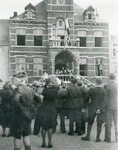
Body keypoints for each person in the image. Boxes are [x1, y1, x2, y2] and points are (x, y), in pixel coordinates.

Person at [11, 71, 42, 150]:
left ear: (21, 80)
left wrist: (14, 110)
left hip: (19, 116)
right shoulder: (30, 89)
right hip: (28, 116)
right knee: (26, 137)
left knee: (17, 138)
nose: (13, 82)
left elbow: (15, 100)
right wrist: (33, 108)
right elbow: (40, 99)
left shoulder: (18, 89)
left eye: (15, 80)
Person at [38, 77, 59, 148]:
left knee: (43, 127)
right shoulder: (56, 90)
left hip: (44, 108)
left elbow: (40, 98)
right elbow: (59, 84)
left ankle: (43, 142)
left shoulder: (45, 90)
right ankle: (49, 142)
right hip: (52, 108)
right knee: (50, 127)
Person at [104, 73, 118, 143]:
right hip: (116, 106)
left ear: (109, 78)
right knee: (116, 123)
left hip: (108, 106)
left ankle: (108, 138)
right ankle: (117, 138)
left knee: (108, 123)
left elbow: (105, 97)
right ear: (115, 78)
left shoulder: (106, 86)